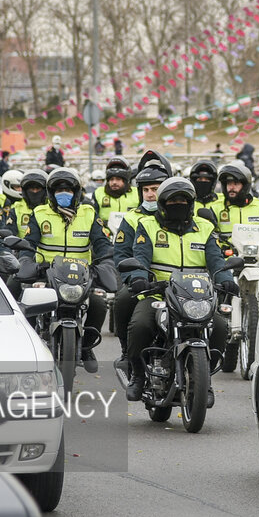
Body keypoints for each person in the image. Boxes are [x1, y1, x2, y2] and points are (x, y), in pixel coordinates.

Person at [120, 177, 231, 401]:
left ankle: (205, 379)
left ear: (190, 204)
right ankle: (139, 376)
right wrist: (139, 278)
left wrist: (226, 278)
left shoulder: (205, 228)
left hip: (196, 296)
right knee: (140, 324)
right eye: (172, 201)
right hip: (158, 293)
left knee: (219, 326)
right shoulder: (148, 226)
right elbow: (140, 257)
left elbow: (216, 261)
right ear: (162, 203)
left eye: (183, 200)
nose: (178, 205)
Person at [21, 167, 113, 373]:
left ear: (77, 193)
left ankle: (87, 346)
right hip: (47, 274)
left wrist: (106, 261)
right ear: (51, 194)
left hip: (81, 277)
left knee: (99, 304)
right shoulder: (39, 213)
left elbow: (102, 243)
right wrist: (27, 262)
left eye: (68, 190)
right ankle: (29, 346)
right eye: (58, 190)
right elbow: (28, 244)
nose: (64, 194)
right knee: (26, 304)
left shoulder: (89, 214)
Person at [110, 151, 171, 369]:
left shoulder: (179, 215)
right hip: (141, 281)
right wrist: (134, 278)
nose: (150, 195)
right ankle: (128, 352)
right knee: (122, 301)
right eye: (145, 190)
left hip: (176, 283)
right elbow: (121, 253)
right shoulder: (131, 217)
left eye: (155, 189)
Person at [209, 160, 259, 299]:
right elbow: (207, 231)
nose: (231, 187)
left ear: (245, 185)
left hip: (254, 261)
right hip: (227, 260)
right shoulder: (216, 208)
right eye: (228, 184)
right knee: (216, 288)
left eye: (236, 183)